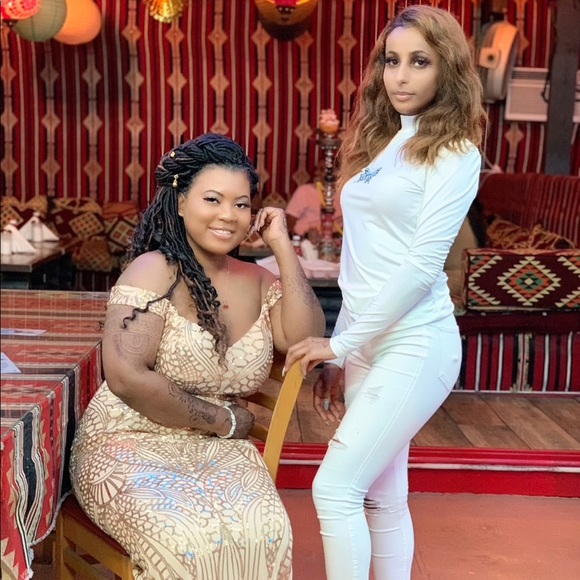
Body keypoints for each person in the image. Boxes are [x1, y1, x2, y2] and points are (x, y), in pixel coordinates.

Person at [284, 6, 486, 579]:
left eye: (420, 62)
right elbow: (361, 266)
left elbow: (421, 267)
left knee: (335, 487)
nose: (400, 76)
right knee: (383, 498)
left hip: (417, 342)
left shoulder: (456, 153)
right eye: (391, 61)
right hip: (369, 344)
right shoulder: (387, 144)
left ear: (447, 69)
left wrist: (340, 345)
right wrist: (343, 349)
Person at [69, 133, 326, 579]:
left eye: (241, 204)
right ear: (181, 201)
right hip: (128, 440)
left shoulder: (258, 280)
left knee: (266, 531)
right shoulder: (152, 271)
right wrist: (224, 420)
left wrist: (282, 246)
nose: (228, 215)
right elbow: (126, 377)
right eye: (213, 199)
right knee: (185, 540)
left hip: (218, 451)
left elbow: (307, 339)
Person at [285, 159, 342, 242]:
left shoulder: (344, 193)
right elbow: (289, 222)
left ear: (335, 173)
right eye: (316, 169)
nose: (316, 173)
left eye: (321, 170)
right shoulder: (304, 191)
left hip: (335, 241)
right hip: (304, 240)